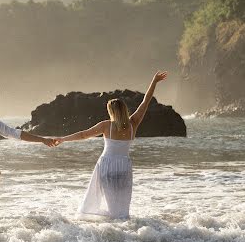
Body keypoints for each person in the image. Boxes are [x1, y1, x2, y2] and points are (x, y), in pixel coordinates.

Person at [55, 71, 167, 219]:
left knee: (108, 203)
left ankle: (110, 232)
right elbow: (145, 101)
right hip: (124, 166)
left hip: (107, 164)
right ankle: (125, 230)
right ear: (124, 110)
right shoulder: (133, 123)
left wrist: (63, 139)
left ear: (111, 112)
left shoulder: (106, 125)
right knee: (121, 208)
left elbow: (83, 134)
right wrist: (154, 81)